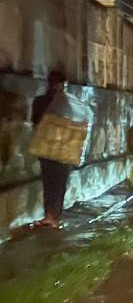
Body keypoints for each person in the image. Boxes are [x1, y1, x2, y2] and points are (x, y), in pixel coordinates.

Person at [32, 70, 71, 229]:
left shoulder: (39, 101)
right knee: (59, 183)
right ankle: (55, 217)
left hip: (45, 147)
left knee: (49, 183)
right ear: (60, 84)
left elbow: (35, 122)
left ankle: (50, 215)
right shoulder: (67, 103)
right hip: (62, 149)